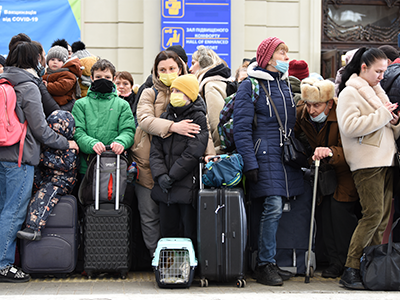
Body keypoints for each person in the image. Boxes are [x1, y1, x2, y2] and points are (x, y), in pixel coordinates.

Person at [0, 41, 79, 283]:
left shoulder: (7, 80)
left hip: (4, 152)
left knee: (4, 208)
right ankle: (4, 265)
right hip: (20, 156)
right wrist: (66, 143)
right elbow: (40, 128)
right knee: (13, 211)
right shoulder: (28, 85)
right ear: (34, 59)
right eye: (41, 57)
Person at [129, 50, 215, 257]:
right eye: (162, 70)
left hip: (181, 169)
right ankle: (156, 256)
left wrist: (210, 153)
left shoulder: (192, 93)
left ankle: (182, 260)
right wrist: (173, 127)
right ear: (155, 72)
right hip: (149, 163)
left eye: (172, 69)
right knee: (150, 214)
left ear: (180, 69)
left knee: (181, 217)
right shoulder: (149, 92)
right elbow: (144, 120)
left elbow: (204, 130)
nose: (167, 73)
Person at [233, 37, 303, 286]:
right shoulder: (250, 85)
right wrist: (249, 162)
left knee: (279, 207)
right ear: (268, 58)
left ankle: (269, 260)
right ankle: (264, 264)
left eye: (287, 52)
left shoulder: (284, 85)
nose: (287, 57)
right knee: (272, 205)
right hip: (263, 155)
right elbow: (241, 129)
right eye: (282, 53)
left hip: (283, 157)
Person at [336, 47, 400, 290]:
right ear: (363, 67)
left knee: (382, 217)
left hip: (385, 159)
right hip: (367, 162)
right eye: (378, 71)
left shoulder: (376, 91)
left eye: (384, 71)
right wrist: (384, 115)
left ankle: (369, 266)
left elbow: (384, 124)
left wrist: (394, 121)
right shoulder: (350, 93)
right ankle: (351, 267)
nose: (382, 76)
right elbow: (350, 127)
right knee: (373, 214)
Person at [294, 78, 359, 279]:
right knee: (325, 216)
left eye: (317, 105)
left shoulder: (342, 114)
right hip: (324, 172)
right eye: (309, 104)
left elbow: (352, 149)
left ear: (329, 103)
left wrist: (330, 151)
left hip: (345, 169)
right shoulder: (303, 114)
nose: (312, 110)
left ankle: (345, 262)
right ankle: (332, 261)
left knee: (340, 214)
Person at [150, 74, 208, 247]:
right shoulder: (166, 117)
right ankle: (169, 267)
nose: (174, 93)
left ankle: (188, 268)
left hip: (186, 186)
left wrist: (172, 175)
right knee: (167, 231)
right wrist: (160, 175)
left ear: (190, 95)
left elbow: (194, 151)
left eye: (179, 91)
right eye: (173, 90)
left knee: (188, 231)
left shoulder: (198, 118)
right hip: (165, 187)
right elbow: (155, 151)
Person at [17, 110, 79, 241]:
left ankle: (33, 228)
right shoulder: (47, 144)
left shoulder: (70, 146)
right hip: (45, 178)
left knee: (45, 195)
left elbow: (65, 165)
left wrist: (42, 158)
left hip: (61, 182)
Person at [72, 59, 135, 177]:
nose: (102, 80)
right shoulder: (80, 104)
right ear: (91, 78)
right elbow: (78, 132)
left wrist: (121, 142)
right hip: (87, 165)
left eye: (107, 77)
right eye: (98, 77)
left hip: (114, 164)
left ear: (114, 78)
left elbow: (128, 130)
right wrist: (91, 143)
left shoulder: (122, 105)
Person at [189, 45, 233, 153]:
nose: (190, 69)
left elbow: (216, 121)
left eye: (193, 63)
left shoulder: (210, 86)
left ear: (204, 63)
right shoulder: (220, 82)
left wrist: (216, 151)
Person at [42, 45, 82, 112]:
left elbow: (62, 87)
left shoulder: (68, 74)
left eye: (59, 60)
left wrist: (47, 86)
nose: (55, 62)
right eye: (52, 59)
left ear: (64, 63)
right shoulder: (46, 74)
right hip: (49, 104)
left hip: (61, 106)